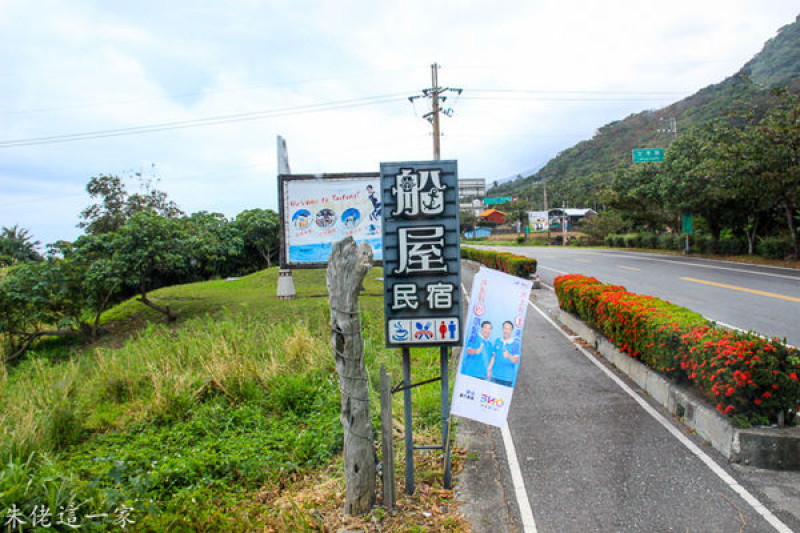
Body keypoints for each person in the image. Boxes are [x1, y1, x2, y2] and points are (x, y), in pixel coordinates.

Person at [487, 321, 521, 387]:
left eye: (508, 329)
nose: (506, 331)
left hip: (507, 378)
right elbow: (493, 357)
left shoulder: (515, 344)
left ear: (511, 331)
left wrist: (509, 356)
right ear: (502, 329)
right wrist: (489, 369)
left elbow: (515, 361)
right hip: (494, 376)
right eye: (505, 328)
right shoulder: (498, 341)